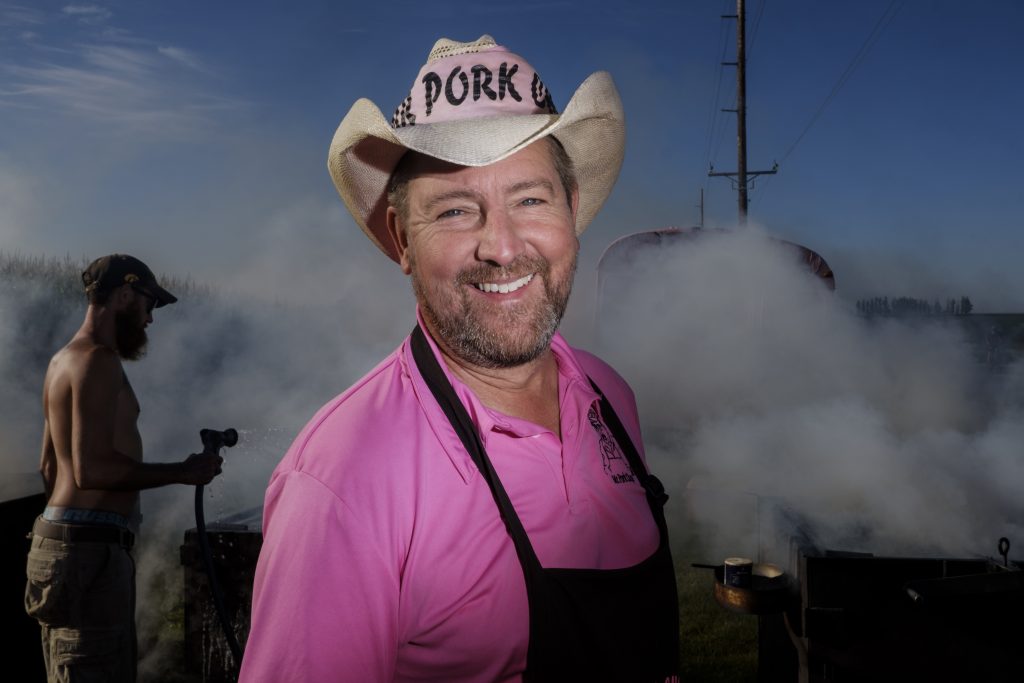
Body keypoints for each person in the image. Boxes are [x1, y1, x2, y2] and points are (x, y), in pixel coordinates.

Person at [241, 35, 679, 682]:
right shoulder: (342, 481)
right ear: (402, 241)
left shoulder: (610, 397)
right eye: (454, 210)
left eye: (530, 199)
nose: (502, 247)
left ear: (572, 210)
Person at [24, 254, 224, 683]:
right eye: (149, 305)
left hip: (69, 542)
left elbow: (47, 467)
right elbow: (90, 471)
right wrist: (183, 471)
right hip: (89, 549)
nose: (150, 319)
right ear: (125, 295)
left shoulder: (62, 359)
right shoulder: (98, 360)